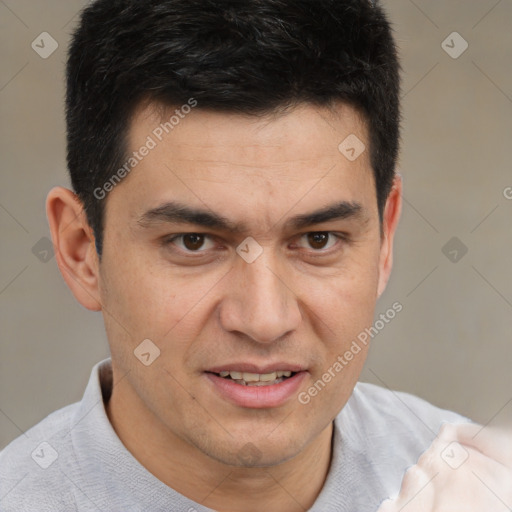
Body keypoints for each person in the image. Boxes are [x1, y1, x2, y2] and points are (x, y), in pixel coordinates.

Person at [1, 1, 510, 511]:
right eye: (194, 242)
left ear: (385, 239)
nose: (264, 320)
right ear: (82, 251)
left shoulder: (487, 486)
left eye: (318, 240)